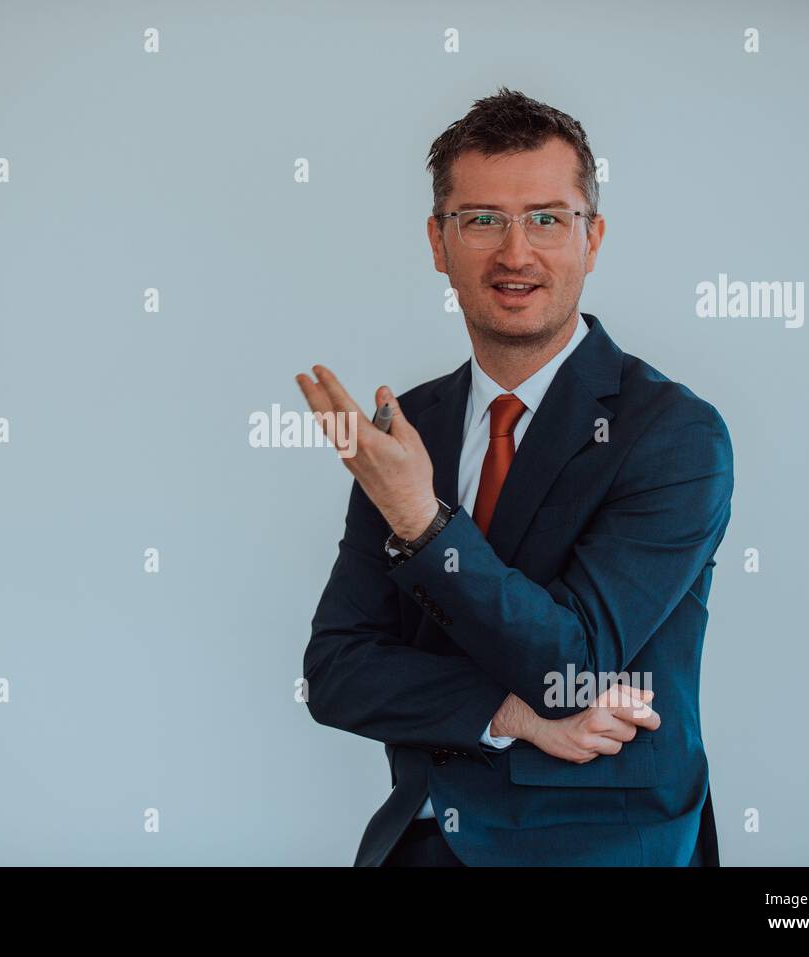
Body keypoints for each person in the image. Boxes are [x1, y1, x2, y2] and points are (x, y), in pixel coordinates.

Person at [296, 87, 732, 867]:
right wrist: (507, 711)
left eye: (546, 218)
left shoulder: (673, 434)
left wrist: (420, 520)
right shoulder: (412, 425)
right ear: (439, 241)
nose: (515, 252)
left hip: (600, 846)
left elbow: (572, 665)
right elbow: (336, 671)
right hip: (424, 838)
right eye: (482, 219)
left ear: (592, 238)